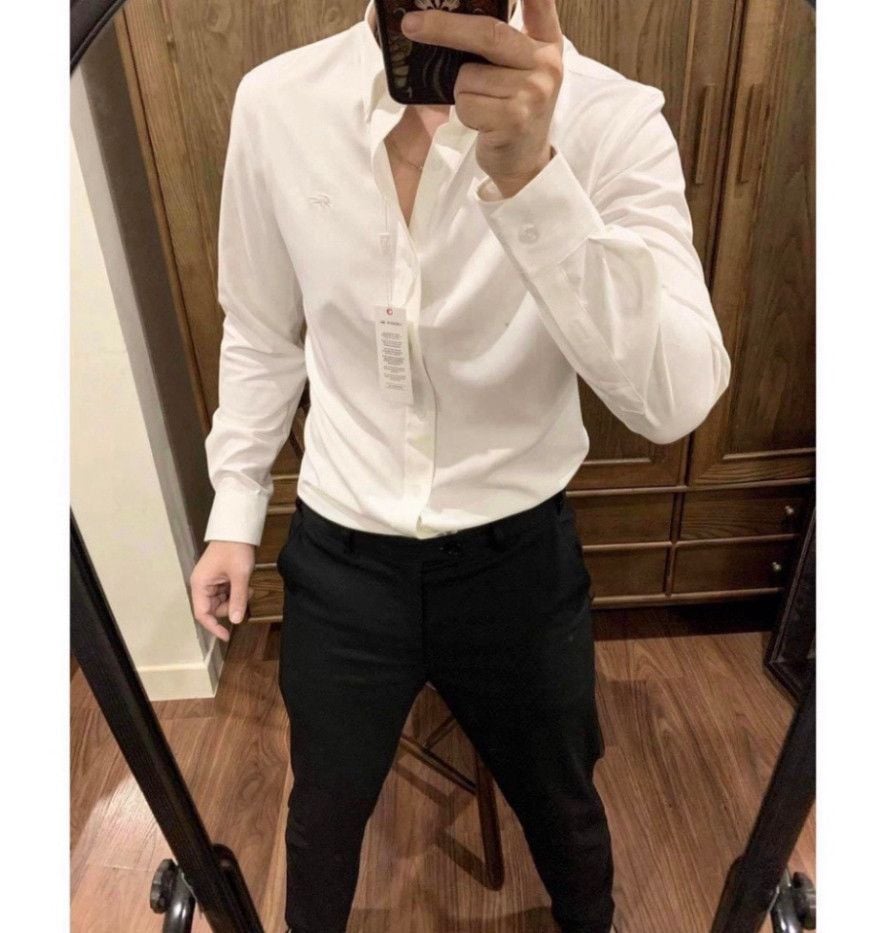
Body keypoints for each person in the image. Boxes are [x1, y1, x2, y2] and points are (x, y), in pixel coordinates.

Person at [189, 0, 731, 930]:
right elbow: (262, 329)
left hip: (515, 560)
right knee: (321, 816)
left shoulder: (609, 116)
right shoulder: (277, 103)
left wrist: (533, 178)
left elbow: (675, 398)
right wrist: (234, 511)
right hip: (343, 551)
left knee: (563, 807)